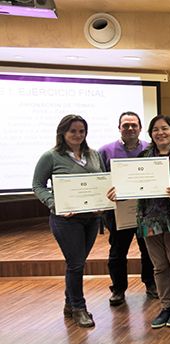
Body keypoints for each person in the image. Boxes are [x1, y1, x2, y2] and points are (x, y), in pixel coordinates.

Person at [107, 115, 170, 329]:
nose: (160, 133)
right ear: (150, 134)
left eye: (165, 128)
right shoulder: (143, 157)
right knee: (159, 266)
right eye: (155, 129)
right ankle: (165, 306)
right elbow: (133, 185)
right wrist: (118, 193)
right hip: (149, 220)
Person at [32, 115, 105, 328]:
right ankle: (79, 308)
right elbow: (38, 185)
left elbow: (101, 180)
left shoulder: (94, 155)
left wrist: (103, 200)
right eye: (73, 131)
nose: (78, 135)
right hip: (66, 220)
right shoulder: (51, 156)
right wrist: (55, 204)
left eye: (82, 131)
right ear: (63, 132)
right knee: (76, 264)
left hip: (91, 218)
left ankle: (68, 303)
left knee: (77, 263)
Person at [98, 111, 156, 306]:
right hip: (117, 212)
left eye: (134, 125)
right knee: (117, 252)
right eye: (126, 125)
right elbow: (100, 180)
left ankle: (151, 283)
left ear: (140, 128)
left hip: (145, 210)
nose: (130, 128)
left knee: (148, 250)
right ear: (119, 128)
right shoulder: (105, 151)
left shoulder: (151, 149)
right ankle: (118, 289)